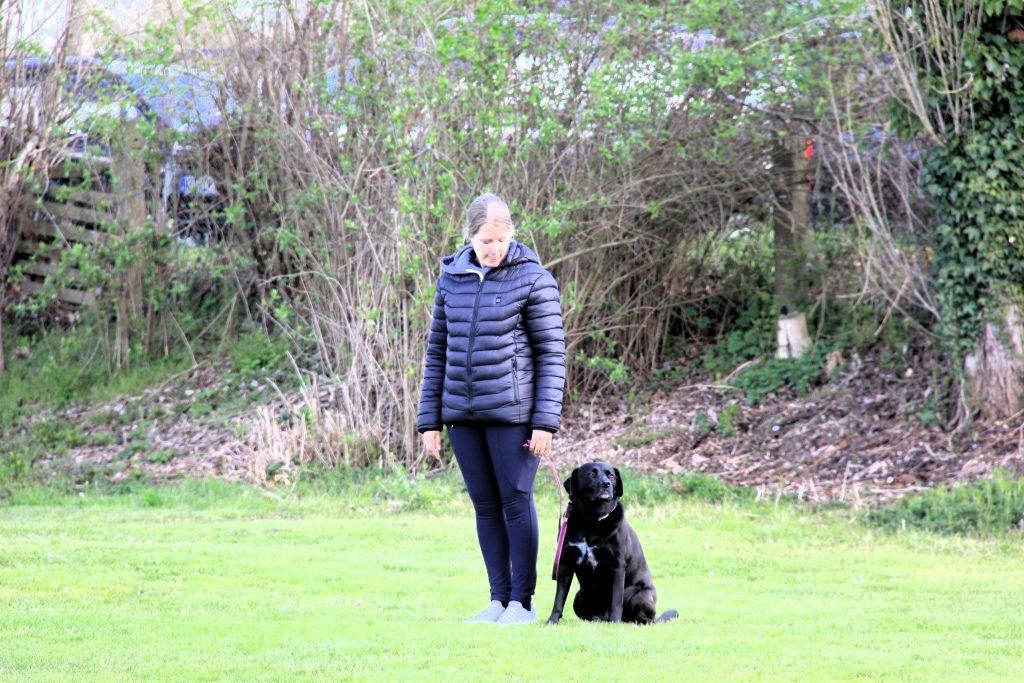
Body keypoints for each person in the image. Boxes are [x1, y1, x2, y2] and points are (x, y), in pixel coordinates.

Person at [417, 192, 566, 624]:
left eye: (501, 240)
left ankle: (523, 603)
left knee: (515, 502)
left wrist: (544, 423)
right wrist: (429, 421)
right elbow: (437, 352)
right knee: (485, 506)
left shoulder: (535, 280)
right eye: (486, 242)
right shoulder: (450, 279)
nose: (494, 249)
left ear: (511, 235)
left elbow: (552, 354)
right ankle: (498, 600)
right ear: (470, 237)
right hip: (462, 417)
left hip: (514, 415)